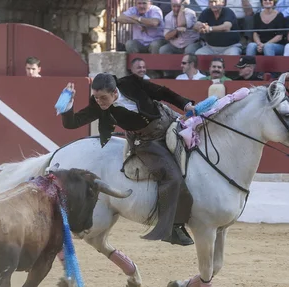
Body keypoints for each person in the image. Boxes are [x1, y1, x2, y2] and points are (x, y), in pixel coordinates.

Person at [60, 73, 197, 246]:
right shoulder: (98, 105)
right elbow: (72, 123)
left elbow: (161, 92)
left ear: (115, 92)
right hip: (147, 141)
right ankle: (172, 228)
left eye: (103, 97)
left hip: (169, 121)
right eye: (96, 97)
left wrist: (185, 104)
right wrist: (67, 106)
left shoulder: (131, 83)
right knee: (172, 176)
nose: (99, 102)